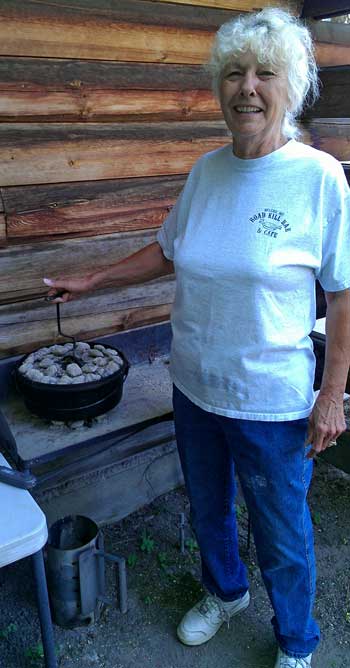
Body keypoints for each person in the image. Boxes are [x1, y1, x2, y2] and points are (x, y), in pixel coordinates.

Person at [44, 8, 350, 667]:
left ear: (291, 85)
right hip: (195, 386)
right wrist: (93, 278)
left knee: (284, 534)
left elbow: (343, 291)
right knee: (208, 509)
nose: (247, 87)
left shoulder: (319, 179)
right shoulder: (207, 172)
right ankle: (225, 593)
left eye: (265, 73)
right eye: (234, 73)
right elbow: (168, 250)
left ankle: (297, 642)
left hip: (271, 402)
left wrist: (333, 394)